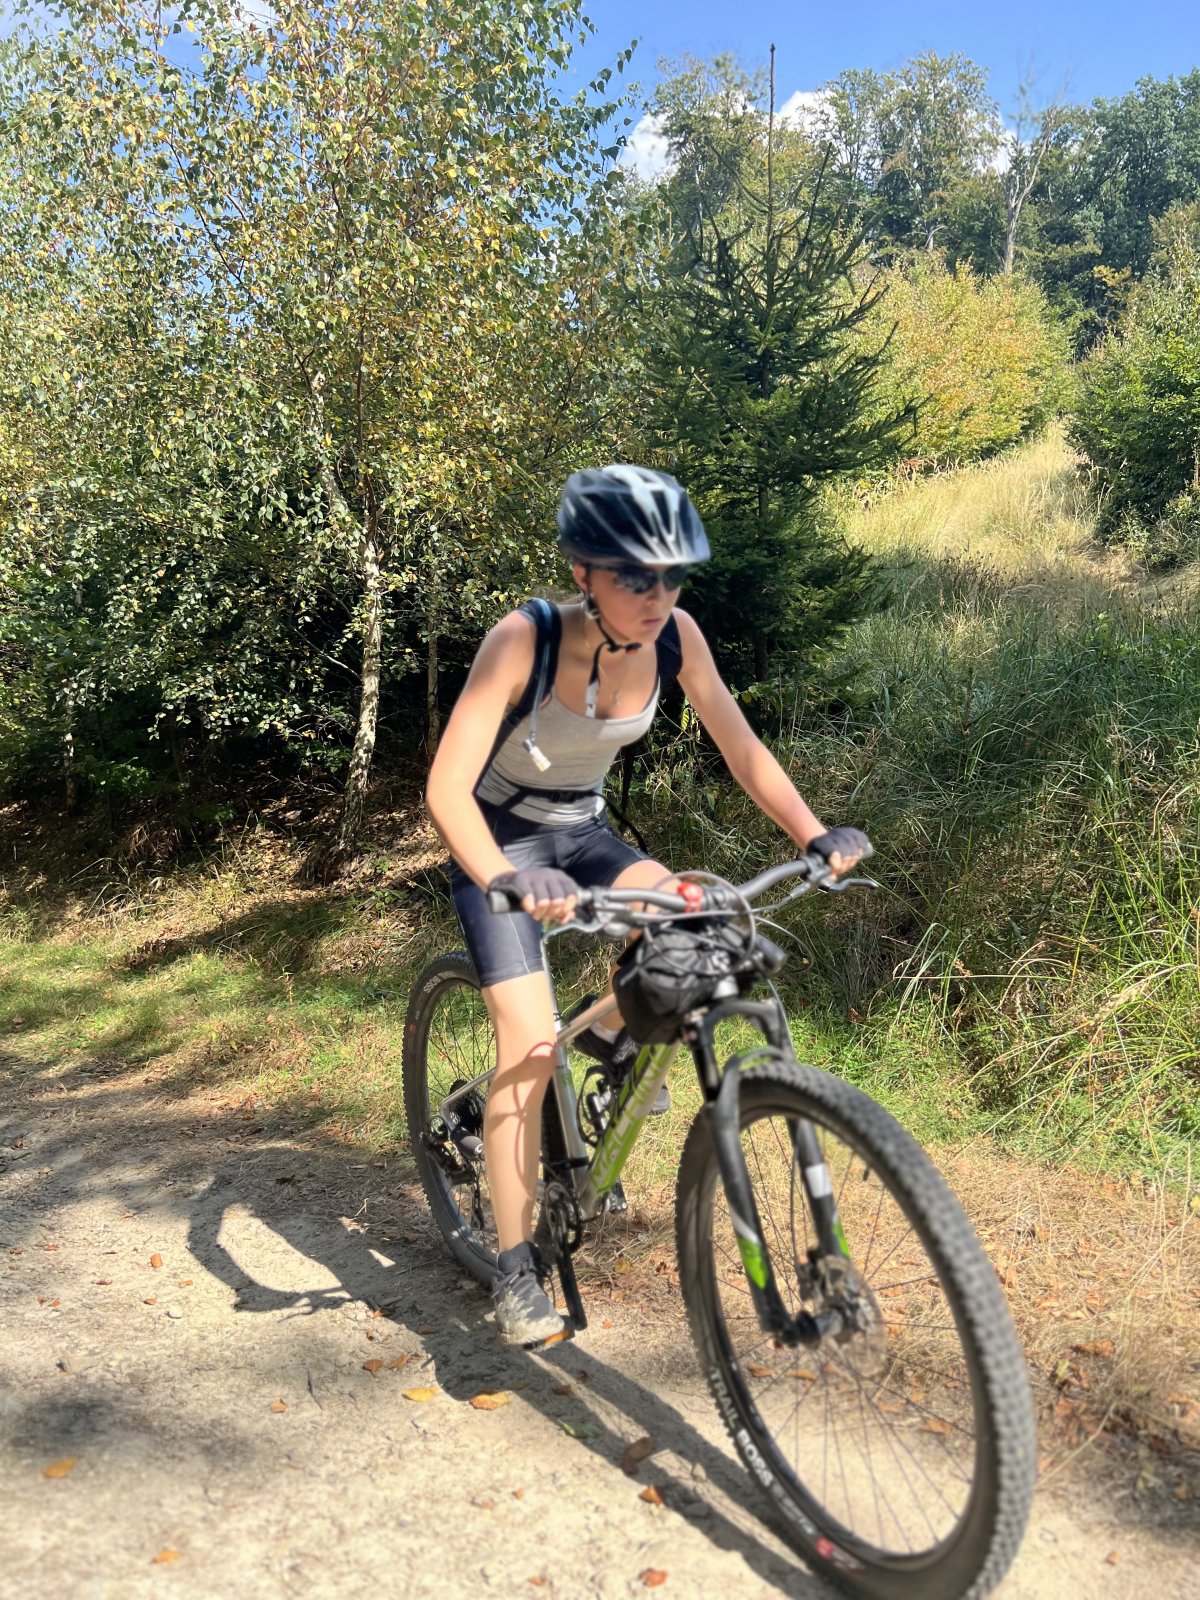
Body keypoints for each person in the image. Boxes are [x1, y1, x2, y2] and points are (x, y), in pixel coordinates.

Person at [425, 466, 871, 1346]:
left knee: (700, 922)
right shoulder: (524, 640)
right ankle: (514, 1268)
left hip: (584, 834)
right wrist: (507, 878)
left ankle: (610, 1040)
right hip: (500, 845)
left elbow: (741, 747)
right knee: (530, 1048)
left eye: (671, 576)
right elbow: (445, 789)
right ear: (584, 572)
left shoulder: (678, 638)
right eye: (634, 577)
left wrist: (813, 833)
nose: (657, 596)